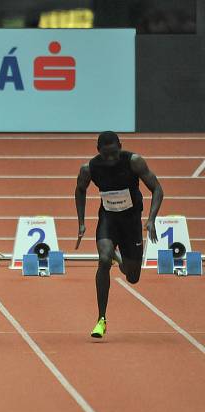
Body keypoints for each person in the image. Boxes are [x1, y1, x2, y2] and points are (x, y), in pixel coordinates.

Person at [75, 131, 164, 338]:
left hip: (131, 222)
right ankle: (101, 319)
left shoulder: (134, 161)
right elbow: (80, 190)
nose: (111, 158)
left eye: (114, 153)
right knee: (103, 259)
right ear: (98, 151)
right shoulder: (90, 168)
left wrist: (151, 220)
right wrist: (81, 222)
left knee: (132, 277)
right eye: (106, 155)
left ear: (120, 146)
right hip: (108, 219)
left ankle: (119, 257)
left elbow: (157, 189)